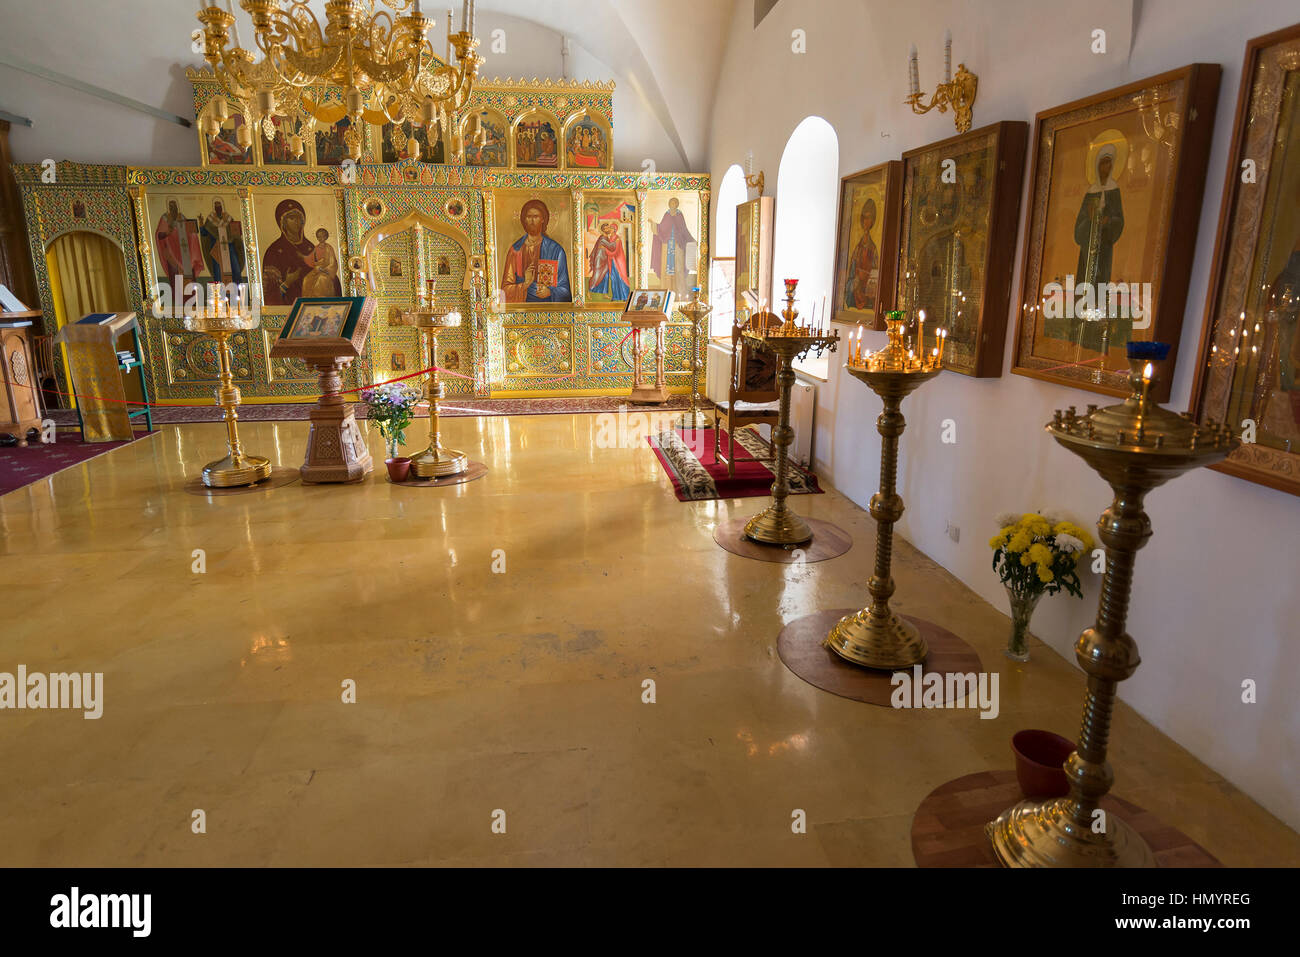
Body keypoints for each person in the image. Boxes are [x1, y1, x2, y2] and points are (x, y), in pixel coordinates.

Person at [262, 199, 339, 305]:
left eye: (299, 218)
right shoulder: (274, 251)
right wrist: (287, 282)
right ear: (282, 222)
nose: (297, 222)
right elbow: (267, 294)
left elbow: (330, 273)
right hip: (288, 310)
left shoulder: (311, 247)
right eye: (292, 218)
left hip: (315, 307)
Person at [501, 199, 571, 303]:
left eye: (536, 217)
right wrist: (525, 285)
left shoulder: (556, 250)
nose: (532, 221)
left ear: (543, 219)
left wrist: (550, 292)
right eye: (529, 217)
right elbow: (505, 291)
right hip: (521, 310)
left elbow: (565, 292)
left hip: (549, 311)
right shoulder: (515, 250)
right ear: (524, 220)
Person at [651, 197, 696, 298]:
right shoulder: (666, 215)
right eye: (671, 202)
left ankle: (680, 293)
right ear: (669, 204)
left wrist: (691, 239)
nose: (673, 204)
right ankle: (666, 292)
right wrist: (654, 224)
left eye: (675, 202)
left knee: (679, 267)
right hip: (666, 245)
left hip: (678, 244)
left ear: (677, 204)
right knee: (666, 269)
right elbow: (661, 228)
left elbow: (684, 229)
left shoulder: (680, 215)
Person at [156, 200, 203, 289]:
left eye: (175, 207)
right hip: (171, 252)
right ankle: (178, 298)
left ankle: (192, 295)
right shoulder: (165, 218)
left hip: (185, 251)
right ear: (169, 208)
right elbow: (159, 234)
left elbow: (189, 230)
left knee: (189, 272)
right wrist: (166, 233)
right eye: (171, 207)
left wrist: (193, 232)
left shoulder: (182, 217)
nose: (174, 209)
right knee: (175, 274)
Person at [199, 199, 244, 285]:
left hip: (230, 247)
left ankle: (238, 290)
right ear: (214, 208)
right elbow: (204, 233)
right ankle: (219, 294)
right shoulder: (210, 219)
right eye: (216, 207)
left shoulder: (228, 218)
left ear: (222, 207)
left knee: (235, 268)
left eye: (219, 206)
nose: (218, 208)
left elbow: (235, 231)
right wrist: (201, 224)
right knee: (218, 271)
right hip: (216, 249)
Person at [844, 197, 878, 311]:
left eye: (868, 218)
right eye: (864, 217)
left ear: (873, 221)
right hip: (855, 293)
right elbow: (851, 273)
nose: (865, 221)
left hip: (867, 294)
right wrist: (856, 280)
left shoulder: (873, 249)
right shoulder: (857, 248)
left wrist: (867, 279)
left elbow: (875, 273)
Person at [588, 220, 631, 302]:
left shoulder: (616, 238)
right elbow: (607, 247)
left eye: (611, 227)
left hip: (617, 261)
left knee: (620, 278)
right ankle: (616, 296)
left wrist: (606, 250)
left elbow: (613, 249)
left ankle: (625, 296)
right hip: (605, 260)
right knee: (613, 278)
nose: (609, 229)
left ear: (614, 229)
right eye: (608, 228)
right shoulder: (608, 238)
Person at [299, 228, 339, 298]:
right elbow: (310, 259)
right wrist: (302, 257)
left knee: (321, 279)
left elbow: (333, 263)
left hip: (326, 272)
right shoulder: (316, 248)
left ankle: (320, 300)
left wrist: (324, 269)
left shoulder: (329, 248)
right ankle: (308, 301)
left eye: (322, 236)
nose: (321, 238)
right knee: (306, 279)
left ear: (326, 237)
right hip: (316, 270)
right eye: (319, 236)